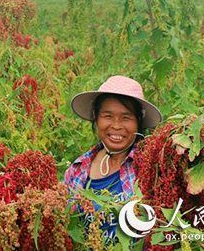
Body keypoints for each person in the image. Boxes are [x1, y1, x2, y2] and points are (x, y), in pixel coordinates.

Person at [63, 75, 163, 244]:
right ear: (96, 119)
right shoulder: (77, 170)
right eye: (108, 116)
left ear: (138, 122)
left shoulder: (152, 167)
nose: (116, 126)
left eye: (126, 117)